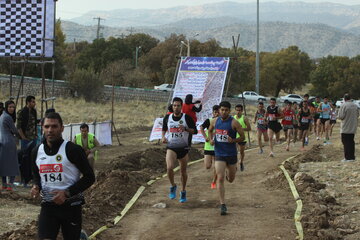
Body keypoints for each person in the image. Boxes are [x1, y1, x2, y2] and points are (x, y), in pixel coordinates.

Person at [31, 112, 95, 240]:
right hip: (48, 206)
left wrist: (67, 193)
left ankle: (80, 237)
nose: (50, 130)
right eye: (47, 126)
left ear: (62, 128)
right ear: (42, 128)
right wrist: (36, 186)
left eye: (54, 126)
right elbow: (37, 174)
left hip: (71, 206)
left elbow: (90, 177)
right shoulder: (36, 151)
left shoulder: (73, 150)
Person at [208, 101, 245, 215]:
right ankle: (222, 204)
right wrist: (210, 139)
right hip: (219, 154)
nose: (223, 112)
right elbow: (209, 131)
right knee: (220, 178)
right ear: (219, 110)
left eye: (226, 110)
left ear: (229, 111)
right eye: (222, 110)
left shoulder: (234, 123)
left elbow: (242, 136)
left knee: (231, 179)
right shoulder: (215, 121)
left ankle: (232, 171)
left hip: (231, 154)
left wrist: (233, 140)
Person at [162, 97, 197, 203]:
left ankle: (183, 191)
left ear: (181, 107)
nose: (176, 107)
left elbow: (195, 131)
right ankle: (173, 186)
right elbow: (164, 129)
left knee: (183, 171)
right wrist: (163, 137)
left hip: (184, 148)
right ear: (172, 106)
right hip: (171, 147)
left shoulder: (187, 118)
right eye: (174, 105)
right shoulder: (167, 117)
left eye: (178, 105)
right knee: (169, 168)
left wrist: (185, 129)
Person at [0, 100, 20, 191]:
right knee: (13, 163)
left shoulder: (1, 116)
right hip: (9, 141)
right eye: (10, 107)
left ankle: (4, 184)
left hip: (2, 141)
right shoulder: (8, 117)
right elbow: (14, 130)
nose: (12, 109)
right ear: (6, 107)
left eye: (13, 107)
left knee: (3, 163)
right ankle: (10, 184)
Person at [200, 105, 219, 189]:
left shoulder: (222, 122)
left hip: (217, 147)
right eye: (215, 112)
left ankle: (214, 181)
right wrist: (206, 137)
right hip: (208, 146)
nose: (217, 114)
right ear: (213, 113)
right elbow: (201, 127)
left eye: (218, 112)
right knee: (208, 166)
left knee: (217, 166)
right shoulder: (209, 121)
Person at [337, 93, 359, 162]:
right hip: (353, 126)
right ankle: (352, 157)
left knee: (345, 142)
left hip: (345, 127)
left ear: (344, 99)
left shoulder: (343, 105)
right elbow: (358, 114)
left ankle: (347, 157)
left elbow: (341, 116)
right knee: (351, 141)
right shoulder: (355, 105)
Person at [234, 104, 251, 171]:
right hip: (234, 137)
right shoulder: (233, 118)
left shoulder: (244, 118)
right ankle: (234, 165)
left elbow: (249, 128)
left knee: (241, 152)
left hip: (242, 137)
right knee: (234, 151)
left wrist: (241, 129)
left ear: (242, 111)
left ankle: (241, 162)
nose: (238, 112)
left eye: (239, 110)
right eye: (237, 110)